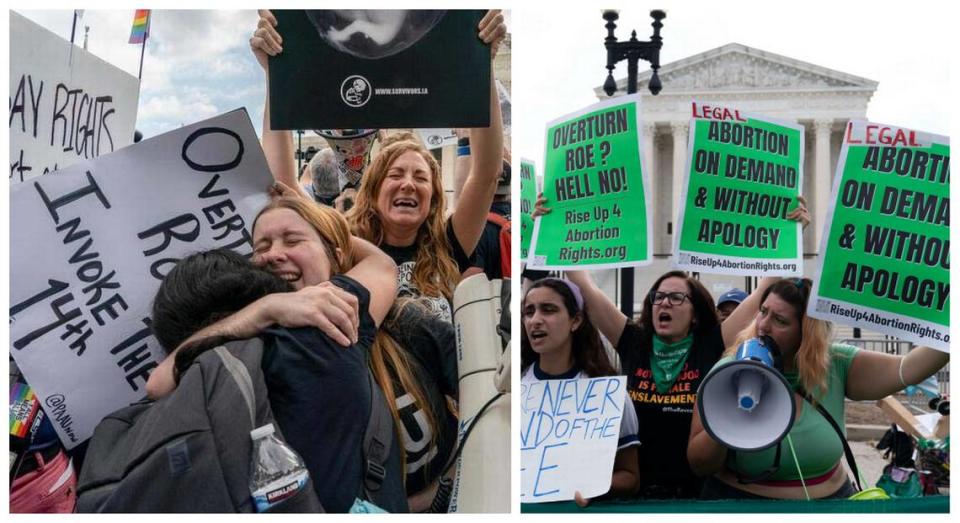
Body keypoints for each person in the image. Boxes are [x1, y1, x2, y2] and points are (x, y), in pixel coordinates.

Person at [147, 194, 459, 511]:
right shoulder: (250, 361)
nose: (273, 255)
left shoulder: (400, 323)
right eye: (261, 248)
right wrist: (266, 308)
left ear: (336, 259)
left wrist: (441, 492)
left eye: (293, 240)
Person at [533, 192, 810, 498]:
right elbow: (583, 285)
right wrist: (551, 225)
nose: (664, 302)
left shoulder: (710, 343)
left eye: (676, 298)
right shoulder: (633, 341)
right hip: (635, 493)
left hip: (696, 494)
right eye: (658, 296)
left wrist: (792, 233)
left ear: (694, 314)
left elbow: (765, 289)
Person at [251, 9, 507, 322]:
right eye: (396, 174)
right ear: (374, 189)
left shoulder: (449, 244)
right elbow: (285, 186)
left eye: (421, 178)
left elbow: (486, 175)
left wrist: (482, 68)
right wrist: (275, 75)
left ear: (434, 197)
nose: (408, 184)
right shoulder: (345, 243)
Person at [688, 278, 949, 499]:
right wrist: (727, 416)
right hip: (743, 503)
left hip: (833, 500)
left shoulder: (836, 365)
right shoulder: (728, 370)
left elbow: (910, 368)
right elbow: (699, 463)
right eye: (763, 311)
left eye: (780, 320)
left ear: (806, 334)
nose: (763, 325)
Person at [521, 278, 640, 507]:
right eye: (529, 311)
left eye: (549, 310)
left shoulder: (609, 394)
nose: (535, 320)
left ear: (575, 320)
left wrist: (590, 488)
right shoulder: (511, 389)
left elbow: (630, 477)